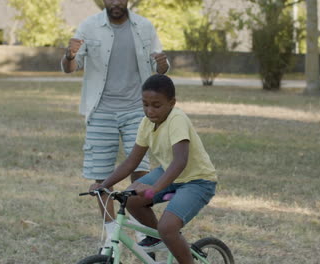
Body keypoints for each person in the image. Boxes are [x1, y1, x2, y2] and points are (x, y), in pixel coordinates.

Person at [61, 0, 170, 249]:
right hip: (100, 111)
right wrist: (69, 55)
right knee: (102, 181)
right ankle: (112, 238)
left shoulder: (144, 26)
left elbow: (160, 67)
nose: (116, 2)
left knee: (141, 172)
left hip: (136, 111)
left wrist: (163, 66)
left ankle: (144, 231)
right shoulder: (89, 26)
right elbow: (70, 67)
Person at [97, 74, 218, 264]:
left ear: (172, 103)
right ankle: (158, 238)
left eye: (156, 105)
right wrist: (103, 185)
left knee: (168, 227)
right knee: (130, 197)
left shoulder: (177, 119)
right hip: (170, 174)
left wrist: (154, 189)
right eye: (145, 104)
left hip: (197, 180)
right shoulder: (146, 123)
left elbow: (180, 161)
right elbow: (131, 162)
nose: (150, 110)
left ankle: (169, 240)